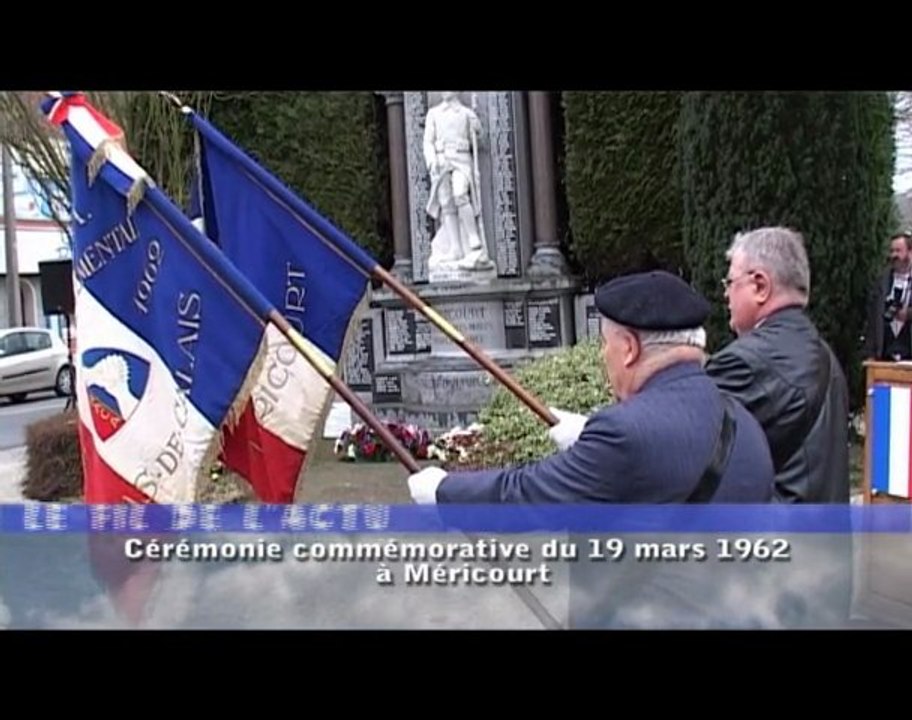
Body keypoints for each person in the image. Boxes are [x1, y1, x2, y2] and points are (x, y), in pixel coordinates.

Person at [407, 270, 774, 505]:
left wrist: (442, 490)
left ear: (629, 348)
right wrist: (588, 436)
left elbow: (527, 495)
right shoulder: (744, 422)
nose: (602, 355)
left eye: (605, 344)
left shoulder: (623, 434)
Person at [703, 226, 849, 503]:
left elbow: (686, 453)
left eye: (730, 282)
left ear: (760, 286)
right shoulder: (826, 355)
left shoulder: (745, 363)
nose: (725, 295)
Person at [423, 92, 494, 272]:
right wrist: (432, 161)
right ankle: (455, 248)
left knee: (460, 193)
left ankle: (473, 239)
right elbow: (428, 142)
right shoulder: (434, 113)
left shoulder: (466, 113)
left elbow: (481, 142)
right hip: (442, 161)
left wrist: (477, 130)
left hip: (461, 160)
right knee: (446, 203)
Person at [864, 231, 912, 362]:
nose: (894, 255)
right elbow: (872, 320)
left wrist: (908, 314)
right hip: (884, 356)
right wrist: (870, 354)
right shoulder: (882, 282)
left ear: (910, 252)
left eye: (898, 251)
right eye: (892, 251)